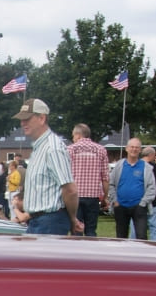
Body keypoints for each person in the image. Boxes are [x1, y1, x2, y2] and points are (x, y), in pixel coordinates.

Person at [13, 99, 81, 235]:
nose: (22, 123)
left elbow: (70, 190)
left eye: (27, 119)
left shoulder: (52, 148)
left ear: (42, 118)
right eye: (21, 119)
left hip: (50, 222)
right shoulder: (40, 148)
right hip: (38, 221)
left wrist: (73, 219)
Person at [107, 139, 155, 239]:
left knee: (141, 237)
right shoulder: (119, 166)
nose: (134, 149)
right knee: (121, 237)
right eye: (132, 147)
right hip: (121, 206)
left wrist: (143, 203)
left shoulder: (146, 167)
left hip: (139, 207)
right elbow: (111, 184)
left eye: (136, 147)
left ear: (140, 150)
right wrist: (115, 201)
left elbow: (151, 187)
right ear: (127, 149)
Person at [67, 123, 109, 237]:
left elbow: (65, 176)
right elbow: (105, 177)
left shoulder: (69, 150)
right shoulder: (101, 150)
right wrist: (105, 197)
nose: (73, 139)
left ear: (78, 135)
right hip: (93, 196)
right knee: (91, 230)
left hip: (74, 196)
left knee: (76, 229)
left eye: (73, 136)